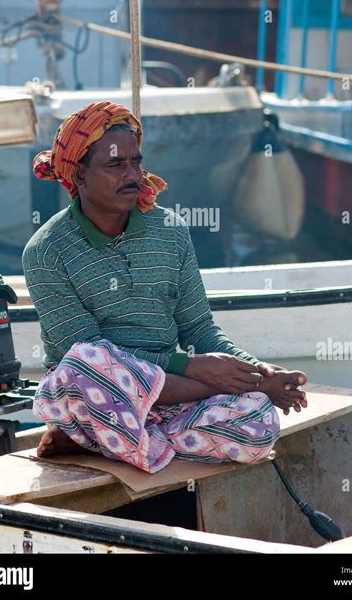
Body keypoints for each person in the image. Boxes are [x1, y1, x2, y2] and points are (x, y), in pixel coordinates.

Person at [22, 101, 307, 473]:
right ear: (79, 177)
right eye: (115, 165)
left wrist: (261, 374)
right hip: (94, 396)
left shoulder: (170, 231)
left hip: (172, 396)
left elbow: (199, 329)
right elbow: (91, 356)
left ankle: (115, 442)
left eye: (136, 162)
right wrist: (201, 372)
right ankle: (107, 434)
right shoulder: (47, 251)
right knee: (87, 360)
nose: (133, 175)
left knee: (258, 425)